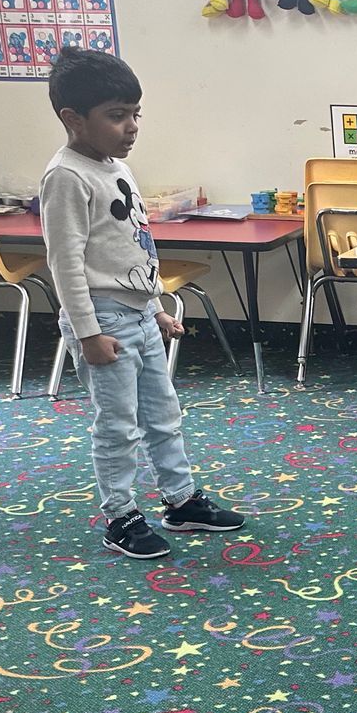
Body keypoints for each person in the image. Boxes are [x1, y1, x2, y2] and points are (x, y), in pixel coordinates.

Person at [41, 47, 245, 559]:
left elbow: (136, 244)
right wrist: (87, 333)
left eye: (136, 114)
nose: (131, 126)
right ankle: (120, 516)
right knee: (117, 424)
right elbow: (65, 264)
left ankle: (180, 501)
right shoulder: (66, 177)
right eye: (116, 116)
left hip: (138, 312)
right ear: (73, 118)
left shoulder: (118, 168)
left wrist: (155, 305)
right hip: (102, 319)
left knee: (163, 412)